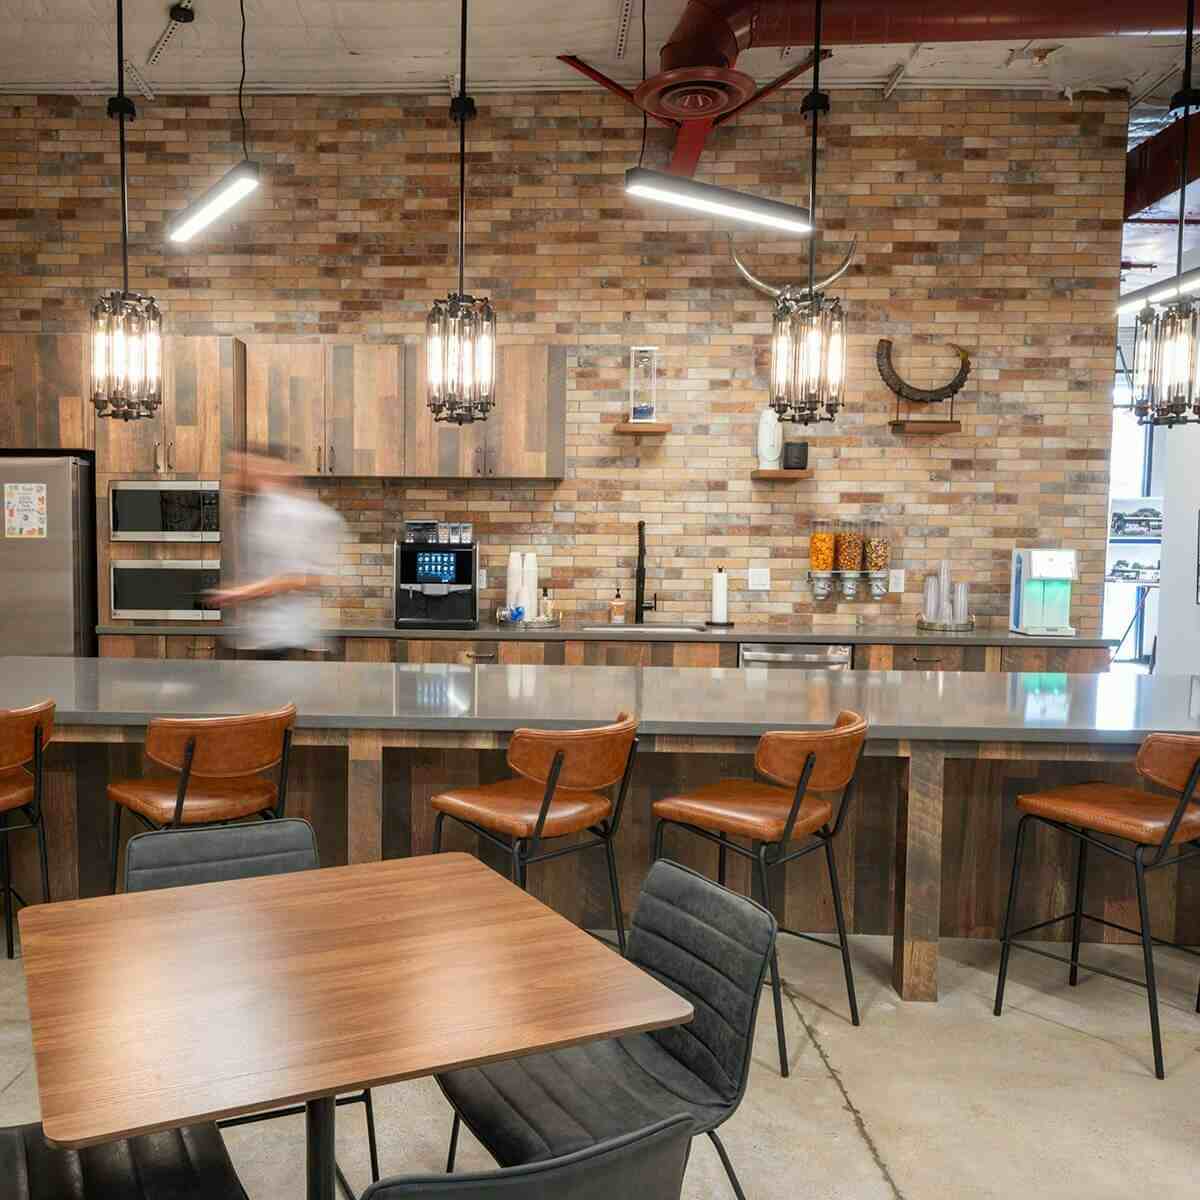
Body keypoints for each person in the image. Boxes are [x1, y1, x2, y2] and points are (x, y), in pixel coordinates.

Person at [209, 451, 345, 657]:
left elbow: (298, 578)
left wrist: (240, 593)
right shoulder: (260, 510)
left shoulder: (289, 514)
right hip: (264, 633)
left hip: (284, 635)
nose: (233, 477)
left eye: (240, 470)